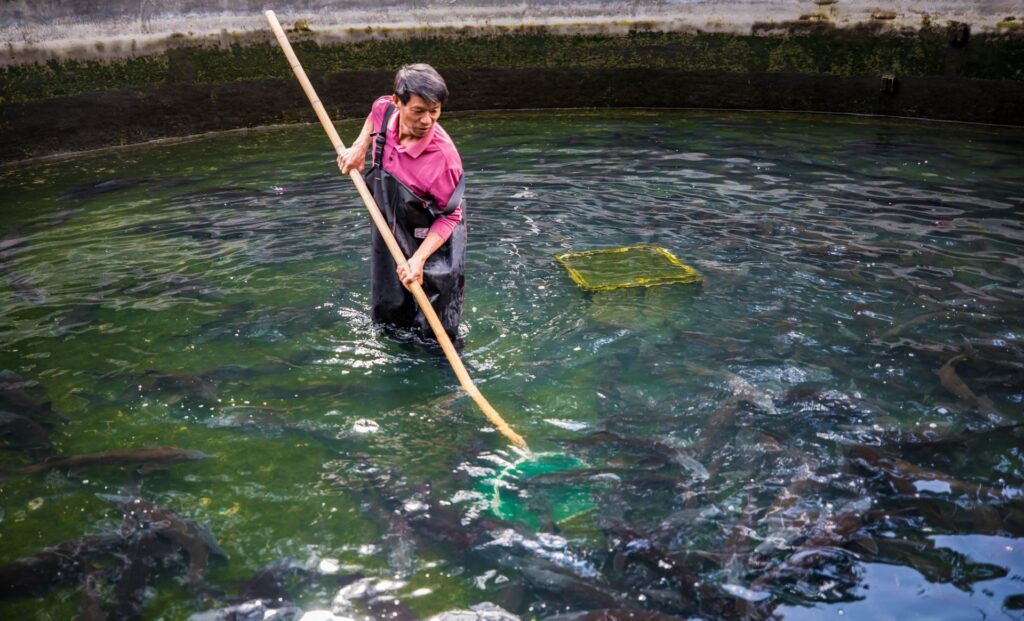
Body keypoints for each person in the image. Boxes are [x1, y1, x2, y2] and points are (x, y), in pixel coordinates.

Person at [338, 63, 466, 341]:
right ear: (398, 102)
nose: (427, 121)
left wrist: (418, 260)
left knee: (436, 325)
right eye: (418, 111)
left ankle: (440, 368)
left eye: (435, 112)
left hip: (435, 236)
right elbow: (376, 110)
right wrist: (360, 148)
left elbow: (451, 217)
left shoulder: (444, 159)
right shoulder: (386, 110)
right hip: (391, 224)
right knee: (390, 314)